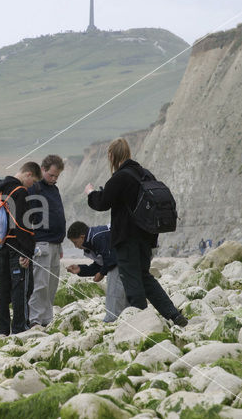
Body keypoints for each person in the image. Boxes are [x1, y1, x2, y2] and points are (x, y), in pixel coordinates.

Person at [85, 138, 188, 327]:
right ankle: (173, 315)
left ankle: (142, 322)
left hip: (127, 238)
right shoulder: (145, 174)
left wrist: (91, 193)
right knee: (144, 276)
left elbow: (102, 203)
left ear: (111, 155)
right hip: (148, 236)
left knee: (132, 279)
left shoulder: (120, 177)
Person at [0, 161, 42, 335]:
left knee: (1, 288)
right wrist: (27, 252)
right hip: (16, 248)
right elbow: (24, 225)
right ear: (28, 174)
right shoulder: (19, 191)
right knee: (20, 288)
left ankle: (1, 329)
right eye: (33, 181)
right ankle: (19, 328)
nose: (31, 186)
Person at [27, 155, 66, 327]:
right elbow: (30, 216)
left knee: (52, 283)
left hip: (56, 243)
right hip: (41, 242)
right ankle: (35, 319)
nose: (54, 179)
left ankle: (47, 318)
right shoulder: (35, 188)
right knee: (40, 283)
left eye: (57, 176)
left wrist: (60, 243)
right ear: (42, 169)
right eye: (51, 175)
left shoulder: (54, 189)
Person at [66, 221, 128, 322]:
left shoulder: (98, 237)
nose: (75, 247)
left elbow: (110, 259)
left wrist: (102, 273)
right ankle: (126, 316)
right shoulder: (91, 241)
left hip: (126, 255)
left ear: (82, 237)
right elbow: (100, 265)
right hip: (123, 257)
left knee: (113, 283)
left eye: (75, 242)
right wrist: (80, 269)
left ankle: (111, 319)